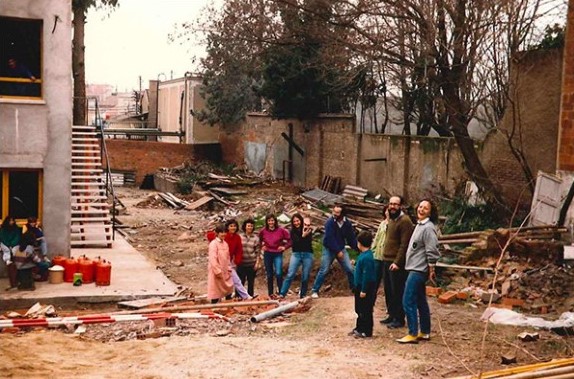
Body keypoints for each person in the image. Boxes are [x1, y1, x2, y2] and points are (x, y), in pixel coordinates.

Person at [397, 199, 440, 344]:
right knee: (421, 300)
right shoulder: (419, 225)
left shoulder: (428, 228)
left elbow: (432, 249)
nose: (421, 210)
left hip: (418, 269)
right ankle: (425, 331)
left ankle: (413, 333)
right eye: (420, 206)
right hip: (413, 267)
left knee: (407, 299)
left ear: (431, 212)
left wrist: (432, 267)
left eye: (425, 208)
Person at [380, 196, 414, 329]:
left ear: (401, 206)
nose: (392, 206)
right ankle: (391, 315)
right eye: (391, 204)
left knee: (397, 291)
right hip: (386, 260)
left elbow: (404, 245)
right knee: (388, 290)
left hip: (396, 263)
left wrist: (397, 262)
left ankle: (399, 318)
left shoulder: (405, 221)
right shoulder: (392, 220)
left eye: (395, 204)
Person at [311, 204, 357, 298]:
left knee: (349, 268)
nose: (334, 214)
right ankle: (315, 290)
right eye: (334, 211)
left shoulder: (347, 224)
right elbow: (329, 238)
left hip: (340, 248)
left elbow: (351, 238)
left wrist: (358, 248)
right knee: (324, 269)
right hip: (329, 248)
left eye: (337, 212)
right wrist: (337, 251)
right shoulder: (330, 222)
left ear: (342, 214)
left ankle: (354, 288)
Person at [279, 214, 314, 298]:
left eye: (297, 221)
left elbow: (308, 242)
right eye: (294, 221)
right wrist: (303, 236)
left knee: (305, 276)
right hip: (296, 254)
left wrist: (305, 234)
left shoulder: (308, 229)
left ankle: (303, 295)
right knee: (290, 274)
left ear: (301, 221)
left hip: (307, 254)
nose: (296, 223)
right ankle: (282, 294)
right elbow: (295, 242)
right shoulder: (292, 231)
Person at [350, 231, 376, 338]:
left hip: (364, 288)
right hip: (358, 287)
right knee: (359, 309)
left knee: (365, 310)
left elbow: (367, 276)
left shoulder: (368, 258)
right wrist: (355, 264)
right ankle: (359, 327)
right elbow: (361, 267)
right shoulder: (363, 255)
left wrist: (364, 290)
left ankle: (366, 331)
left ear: (360, 243)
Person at [259, 214, 291, 297]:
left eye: (272, 220)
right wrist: (262, 246)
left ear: (275, 221)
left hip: (277, 253)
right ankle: (270, 293)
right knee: (269, 274)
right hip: (268, 253)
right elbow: (258, 240)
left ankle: (281, 292)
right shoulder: (263, 231)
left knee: (279, 273)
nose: (271, 222)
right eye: (269, 221)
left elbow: (290, 240)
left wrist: (284, 247)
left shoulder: (281, 230)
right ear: (267, 222)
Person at [224, 219, 252, 300]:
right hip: (222, 262)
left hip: (231, 262)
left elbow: (239, 250)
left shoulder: (237, 237)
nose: (233, 228)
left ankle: (245, 296)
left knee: (236, 280)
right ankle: (217, 300)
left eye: (234, 226)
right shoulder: (224, 236)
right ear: (227, 227)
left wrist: (237, 260)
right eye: (231, 226)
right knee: (222, 282)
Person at [207, 224, 234, 304]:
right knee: (215, 292)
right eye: (221, 232)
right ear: (217, 233)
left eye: (225, 232)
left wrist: (229, 268)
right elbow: (213, 258)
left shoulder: (225, 244)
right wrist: (217, 271)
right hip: (216, 271)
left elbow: (228, 257)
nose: (223, 234)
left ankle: (227, 307)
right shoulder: (213, 244)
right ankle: (214, 308)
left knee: (228, 290)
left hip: (225, 270)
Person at [238, 218, 261, 297]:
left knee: (251, 282)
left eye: (251, 226)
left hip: (251, 263)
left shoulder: (256, 238)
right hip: (241, 263)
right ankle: (238, 297)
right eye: (248, 226)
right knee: (240, 281)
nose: (250, 227)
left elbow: (258, 251)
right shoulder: (240, 237)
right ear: (245, 227)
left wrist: (257, 263)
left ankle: (250, 297)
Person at [0, 215, 22, 290]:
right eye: (10, 221)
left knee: (14, 250)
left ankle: (14, 260)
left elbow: (17, 237)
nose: (11, 222)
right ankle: (7, 260)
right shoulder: (3, 229)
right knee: (6, 250)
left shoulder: (16, 229)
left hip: (14, 244)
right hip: (5, 244)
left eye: (12, 220)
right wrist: (8, 244)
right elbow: (2, 238)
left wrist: (12, 244)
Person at [372, 206, 388, 296]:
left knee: (387, 283)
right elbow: (377, 238)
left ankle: (390, 306)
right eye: (386, 211)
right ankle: (371, 303)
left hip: (387, 257)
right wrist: (372, 250)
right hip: (378, 255)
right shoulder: (382, 223)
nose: (387, 213)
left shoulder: (394, 224)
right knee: (375, 280)